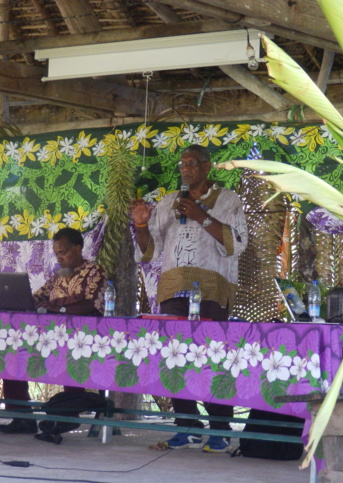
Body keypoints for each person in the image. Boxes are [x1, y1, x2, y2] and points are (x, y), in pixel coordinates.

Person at [131, 144, 248, 453]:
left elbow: (237, 244)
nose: (186, 168)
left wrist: (201, 216)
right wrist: (141, 225)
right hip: (172, 288)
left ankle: (220, 431)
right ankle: (187, 427)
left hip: (211, 288)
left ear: (207, 167)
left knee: (211, 360)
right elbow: (148, 251)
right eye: (182, 163)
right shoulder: (170, 201)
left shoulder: (228, 201)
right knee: (173, 359)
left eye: (193, 163)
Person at [0, 227, 108, 434]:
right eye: (56, 254)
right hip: (50, 338)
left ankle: (68, 416)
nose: (59, 258)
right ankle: (22, 418)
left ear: (78, 248)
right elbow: (35, 298)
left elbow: (90, 305)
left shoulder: (95, 271)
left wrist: (58, 307)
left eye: (63, 253)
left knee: (71, 357)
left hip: (81, 341)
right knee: (13, 355)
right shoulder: (57, 277)